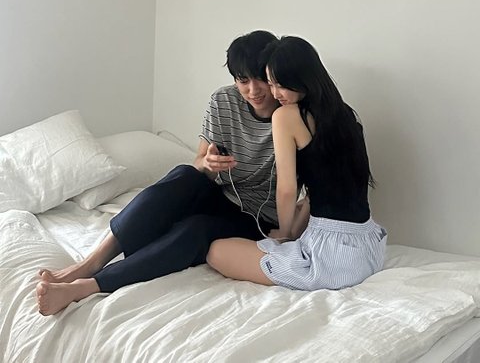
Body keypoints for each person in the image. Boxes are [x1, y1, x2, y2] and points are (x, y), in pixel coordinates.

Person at [36, 29, 293, 315]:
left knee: (195, 230)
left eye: (260, 79)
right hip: (220, 193)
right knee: (185, 175)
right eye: (243, 81)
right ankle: (91, 263)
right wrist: (207, 164)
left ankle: (89, 286)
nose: (253, 90)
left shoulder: (291, 115)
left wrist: (288, 232)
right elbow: (200, 163)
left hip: (256, 218)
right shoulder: (224, 101)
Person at [207, 36, 387, 291]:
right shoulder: (344, 114)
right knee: (300, 209)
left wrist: (284, 235)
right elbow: (318, 192)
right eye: (271, 84)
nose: (275, 94)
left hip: (329, 258)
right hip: (368, 249)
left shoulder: (286, 115)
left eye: (280, 85)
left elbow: (287, 189)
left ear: (302, 79)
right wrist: (294, 229)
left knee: (216, 251)